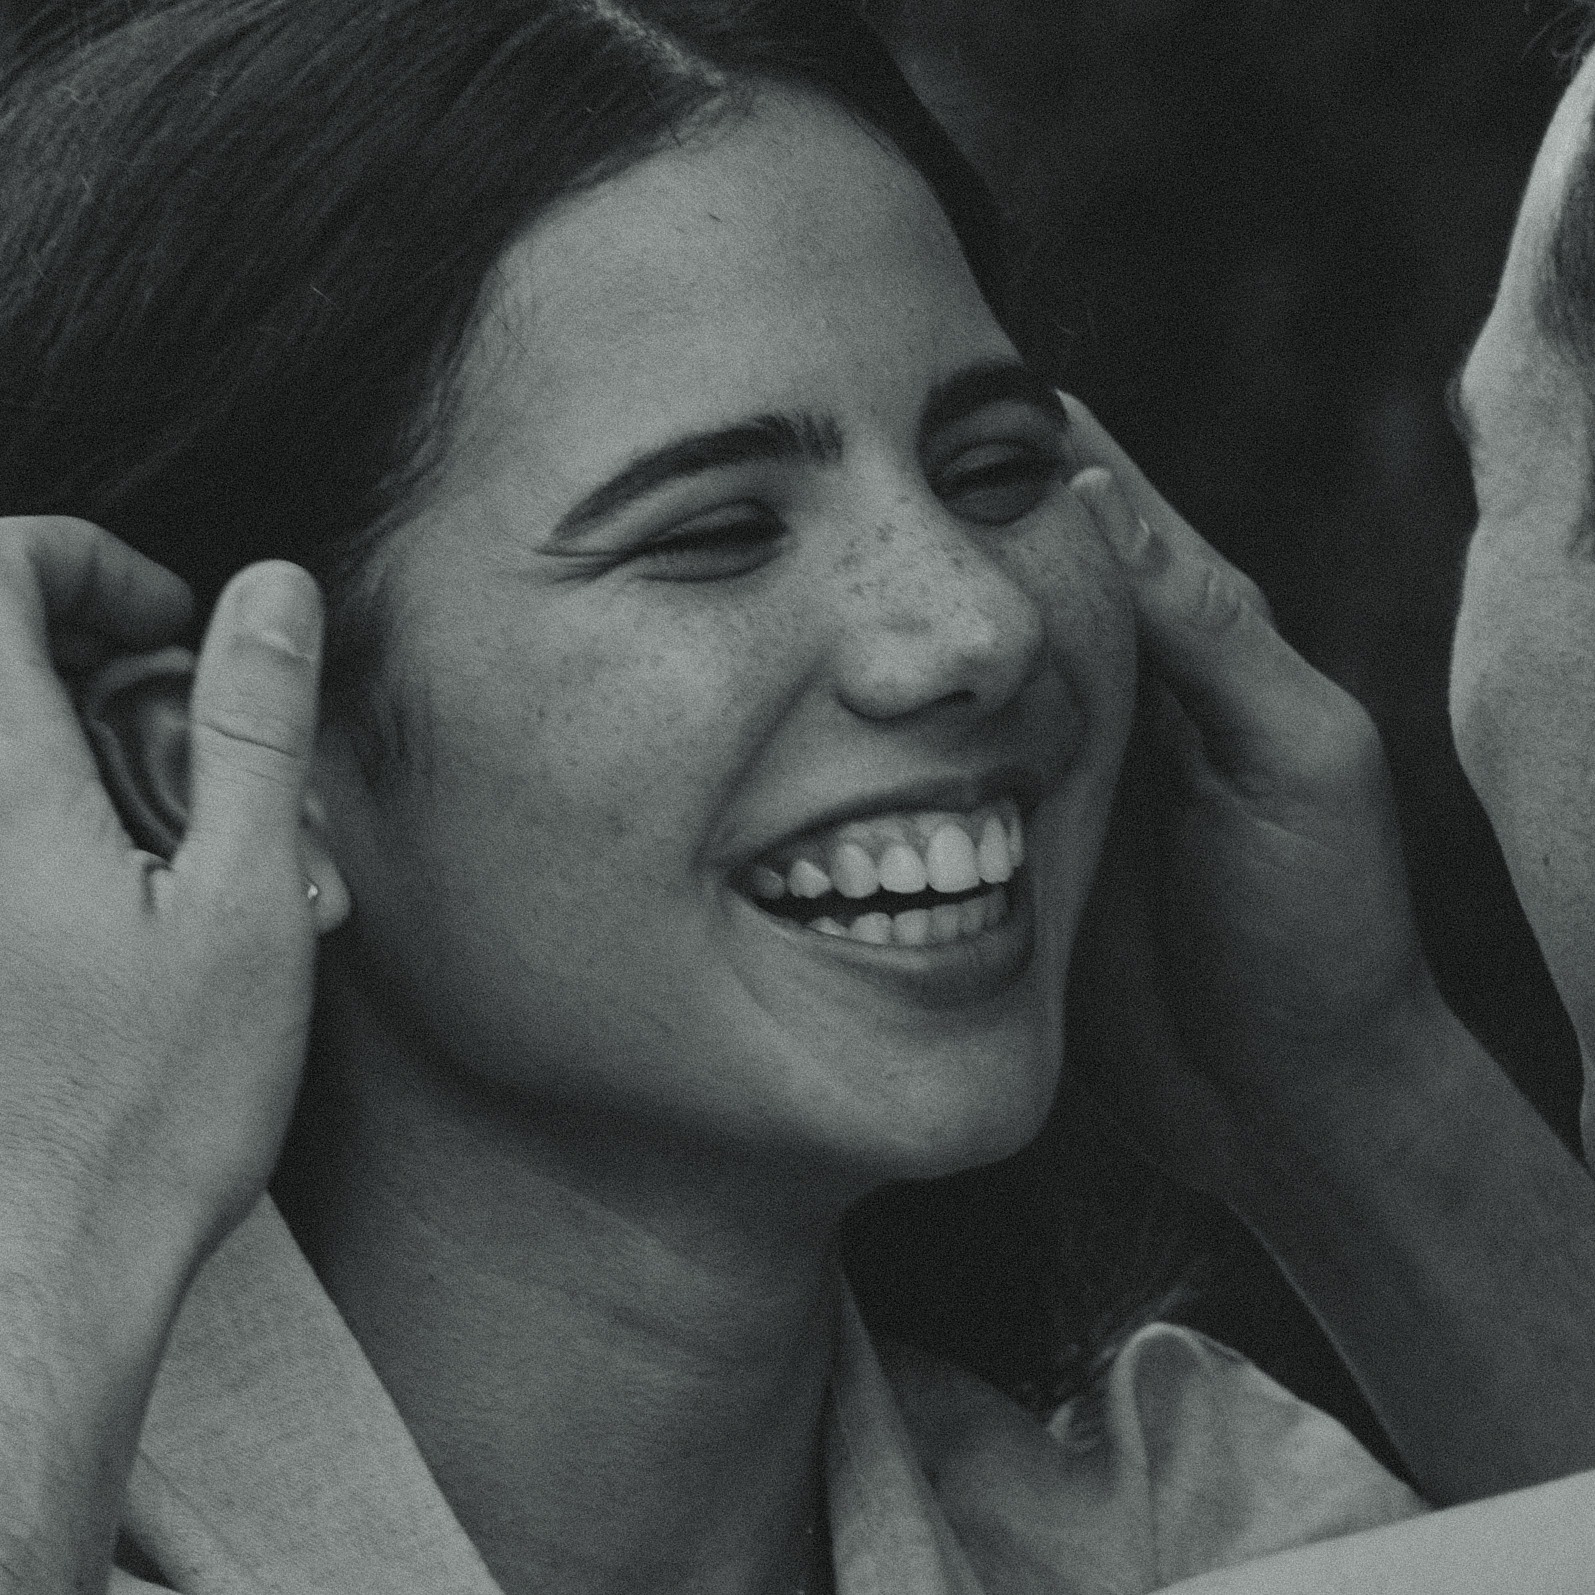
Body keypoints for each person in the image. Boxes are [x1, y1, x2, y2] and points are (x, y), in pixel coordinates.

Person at [2, 3, 1594, 1594]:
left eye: (992, 472)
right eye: (711, 533)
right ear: (219, 764)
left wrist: (1356, 1096)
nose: (979, 623)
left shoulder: (1188, 1528)